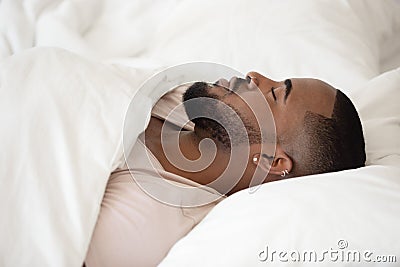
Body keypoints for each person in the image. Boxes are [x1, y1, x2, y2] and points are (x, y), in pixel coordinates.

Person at [84, 71, 366, 267]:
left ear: (272, 160)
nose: (255, 76)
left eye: (275, 93)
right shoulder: (173, 98)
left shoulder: (151, 222)